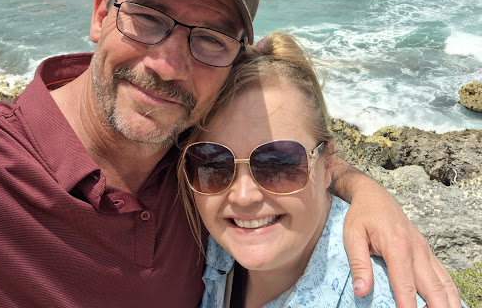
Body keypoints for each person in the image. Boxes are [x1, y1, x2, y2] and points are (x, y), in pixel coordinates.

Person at [0, 0, 460, 307]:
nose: (168, 67)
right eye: (147, 18)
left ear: (234, 59)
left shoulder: (198, 159)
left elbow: (283, 148)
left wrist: (366, 192)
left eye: (210, 40)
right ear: (102, 13)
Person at [179, 32, 468, 307]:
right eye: (213, 163)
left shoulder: (383, 297)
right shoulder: (213, 244)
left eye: (278, 162)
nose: (243, 196)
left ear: (327, 163)